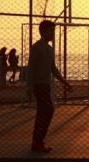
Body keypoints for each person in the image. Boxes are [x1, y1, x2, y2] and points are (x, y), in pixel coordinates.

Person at [28, 20, 72, 153]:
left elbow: (53, 69)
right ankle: (38, 141)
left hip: (46, 85)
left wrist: (65, 82)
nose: (53, 33)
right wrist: (29, 86)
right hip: (38, 85)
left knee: (44, 112)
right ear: (43, 32)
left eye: (53, 31)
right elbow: (31, 68)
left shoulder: (50, 49)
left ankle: (37, 141)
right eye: (51, 31)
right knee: (48, 110)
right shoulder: (36, 47)